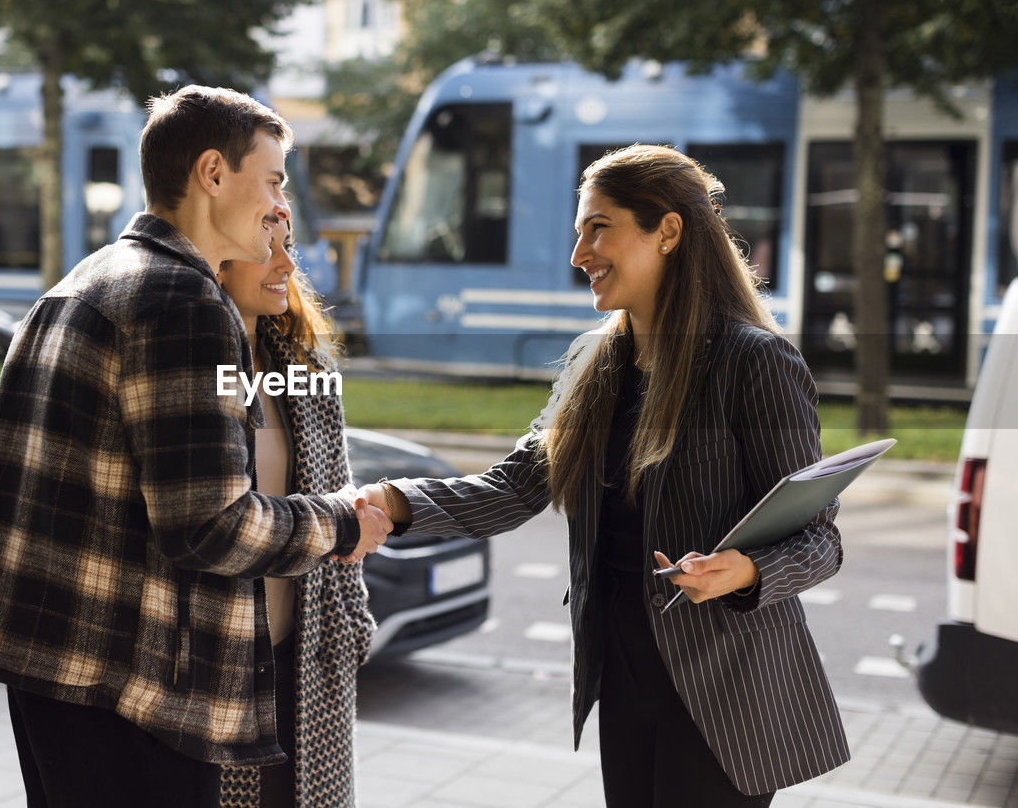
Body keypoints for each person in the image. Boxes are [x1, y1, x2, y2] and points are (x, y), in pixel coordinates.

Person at [0, 85, 392, 808]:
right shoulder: (183, 300)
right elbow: (210, 526)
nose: (278, 206)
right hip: (135, 697)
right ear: (212, 173)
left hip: (56, 676)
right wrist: (337, 521)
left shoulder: (86, 281)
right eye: (271, 181)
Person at [357, 144, 850, 806]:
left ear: (668, 231)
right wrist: (393, 500)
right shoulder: (594, 363)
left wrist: (746, 571)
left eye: (598, 228)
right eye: (578, 232)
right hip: (623, 679)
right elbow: (514, 488)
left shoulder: (755, 362)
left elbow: (819, 538)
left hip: (722, 696)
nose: (579, 255)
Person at [215, 218, 373, 807]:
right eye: (269, 249)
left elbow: (341, 497)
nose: (287, 265)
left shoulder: (302, 372)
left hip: (307, 656)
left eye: (291, 249)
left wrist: (353, 625)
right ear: (219, 258)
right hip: (222, 668)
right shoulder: (197, 371)